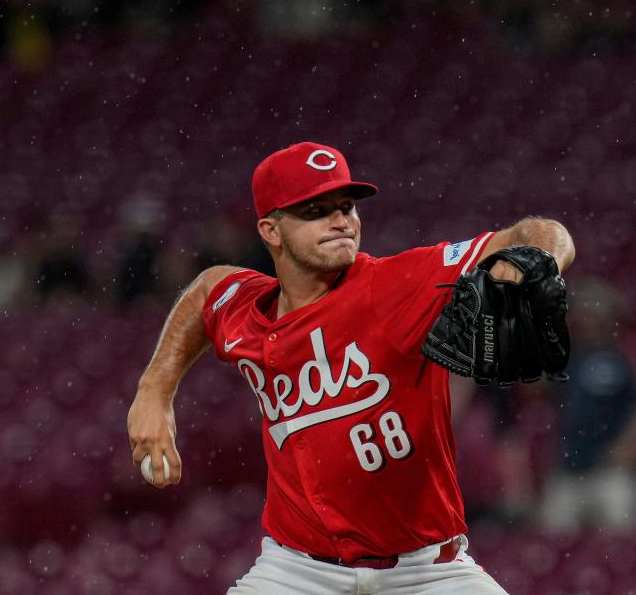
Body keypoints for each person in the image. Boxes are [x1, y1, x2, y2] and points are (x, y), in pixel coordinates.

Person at [127, 142, 575, 594]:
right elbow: (209, 289)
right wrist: (154, 390)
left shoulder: (397, 284)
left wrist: (537, 266)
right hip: (297, 572)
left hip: (426, 571)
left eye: (346, 206)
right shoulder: (246, 308)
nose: (340, 220)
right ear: (271, 230)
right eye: (316, 210)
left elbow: (538, 232)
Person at [538, 278, 636, 534]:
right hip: (569, 465)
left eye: (596, 313)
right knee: (552, 540)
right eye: (584, 313)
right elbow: (534, 387)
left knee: (619, 542)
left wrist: (630, 447)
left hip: (611, 467)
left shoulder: (627, 352)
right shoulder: (568, 354)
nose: (589, 321)